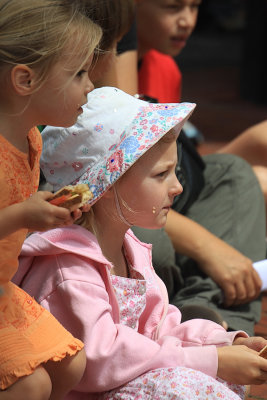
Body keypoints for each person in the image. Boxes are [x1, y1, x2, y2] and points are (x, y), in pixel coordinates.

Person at [13, 86, 267, 399]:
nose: (176, 187)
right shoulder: (68, 268)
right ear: (106, 185)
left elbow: (161, 327)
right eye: (161, 175)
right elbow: (100, 362)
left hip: (128, 383)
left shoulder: (130, 248)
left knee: (218, 377)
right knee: (188, 385)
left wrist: (223, 343)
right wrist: (212, 362)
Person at [119, 0, 267, 335]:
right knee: (150, 243)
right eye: (172, 7)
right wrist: (209, 247)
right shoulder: (110, 64)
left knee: (237, 175)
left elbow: (177, 170)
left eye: (195, 6)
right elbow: (116, 184)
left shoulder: (164, 68)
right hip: (133, 210)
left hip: (164, 200)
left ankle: (205, 319)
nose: (187, 20)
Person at [0, 1, 102, 398]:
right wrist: (22, 214)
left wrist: (48, 207)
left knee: (71, 365)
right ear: (25, 80)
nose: (90, 85)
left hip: (4, 290)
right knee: (31, 386)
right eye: (78, 73)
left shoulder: (31, 138)